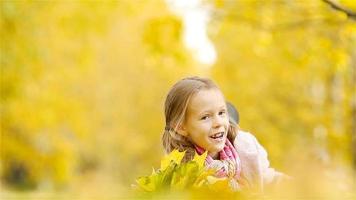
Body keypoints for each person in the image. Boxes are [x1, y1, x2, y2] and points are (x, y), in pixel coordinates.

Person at [162, 76, 284, 191]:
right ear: (181, 127)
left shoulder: (245, 149)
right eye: (205, 117)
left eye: (221, 113)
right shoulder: (183, 177)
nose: (218, 123)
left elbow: (269, 179)